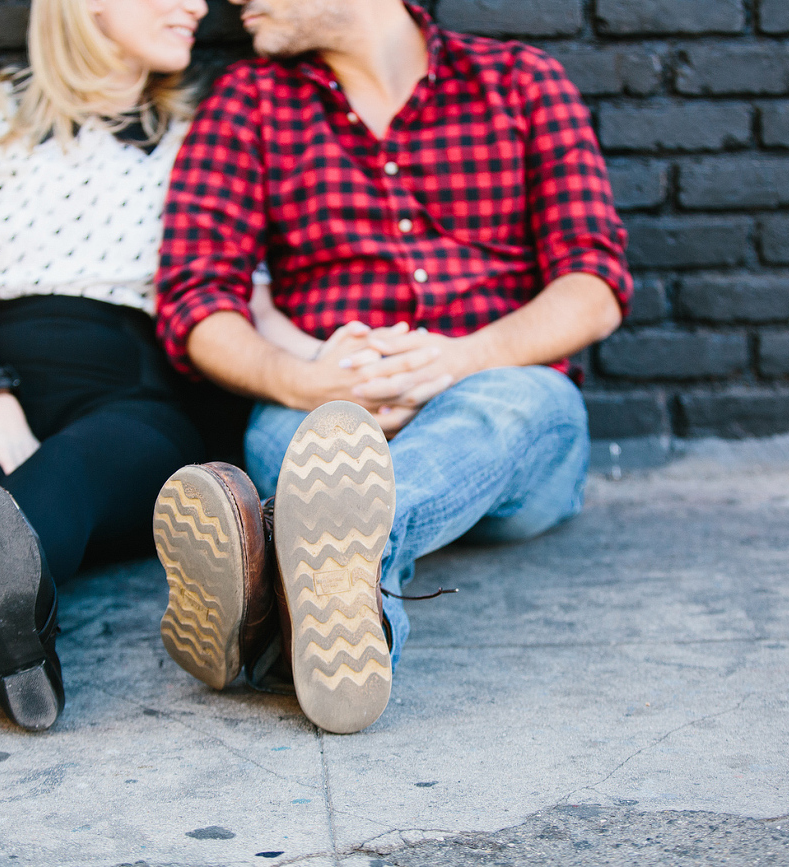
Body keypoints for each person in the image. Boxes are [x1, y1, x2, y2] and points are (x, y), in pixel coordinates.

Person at [152, 0, 632, 734]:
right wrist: (306, 379)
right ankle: (339, 597)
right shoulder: (247, 103)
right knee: (308, 437)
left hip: (500, 414)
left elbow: (593, 286)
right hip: (327, 396)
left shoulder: (520, 82)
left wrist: (458, 359)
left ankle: (275, 579)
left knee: (515, 401)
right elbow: (194, 301)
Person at [0, 0, 244, 732]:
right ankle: (17, 643)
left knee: (62, 478)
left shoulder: (206, 128)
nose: (197, 4)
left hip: (128, 393)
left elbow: (234, 293)